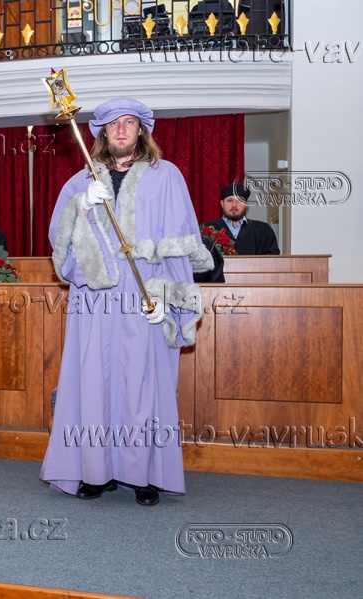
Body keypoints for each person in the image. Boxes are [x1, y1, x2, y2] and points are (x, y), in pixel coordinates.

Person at [40, 98, 213, 506]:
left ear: (141, 130)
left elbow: (180, 242)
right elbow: (60, 249)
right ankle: (93, 472)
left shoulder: (166, 176)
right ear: (102, 131)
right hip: (94, 302)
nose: (121, 129)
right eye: (114, 123)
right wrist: (81, 207)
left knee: (143, 386)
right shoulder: (80, 181)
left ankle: (144, 476)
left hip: (143, 298)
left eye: (129, 122)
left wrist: (168, 302)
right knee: (92, 384)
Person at [203, 183, 280, 255]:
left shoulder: (263, 230)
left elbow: (273, 260)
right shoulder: (207, 229)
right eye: (230, 200)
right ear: (222, 204)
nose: (234, 205)